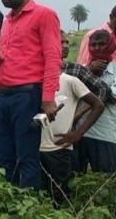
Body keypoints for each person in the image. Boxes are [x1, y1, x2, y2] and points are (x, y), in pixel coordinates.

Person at [0, 0, 62, 190]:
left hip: (27, 94)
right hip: (3, 95)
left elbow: (52, 57)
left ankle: (29, 210)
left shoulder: (44, 14)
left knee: (26, 157)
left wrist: (48, 97)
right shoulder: (8, 20)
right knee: (4, 157)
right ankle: (9, 207)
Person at [40, 73, 104, 206]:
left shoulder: (69, 81)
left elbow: (98, 105)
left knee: (60, 196)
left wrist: (78, 133)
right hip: (33, 148)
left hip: (58, 149)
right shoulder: (32, 79)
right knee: (38, 196)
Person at [77, 29, 116, 173]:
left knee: (106, 181)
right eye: (94, 45)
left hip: (104, 134)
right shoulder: (81, 70)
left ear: (111, 46)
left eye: (102, 44)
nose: (97, 48)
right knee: (77, 179)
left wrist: (88, 77)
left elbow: (110, 96)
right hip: (79, 134)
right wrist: (89, 72)